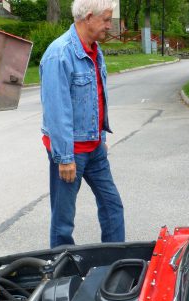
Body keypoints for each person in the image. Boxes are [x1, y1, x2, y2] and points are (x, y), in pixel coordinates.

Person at [39, 0, 124, 248]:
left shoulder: (95, 50)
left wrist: (101, 137)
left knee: (113, 206)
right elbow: (57, 111)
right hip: (70, 152)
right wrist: (65, 158)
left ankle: (115, 261)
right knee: (63, 221)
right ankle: (61, 268)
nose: (109, 26)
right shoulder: (59, 54)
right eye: (106, 20)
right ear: (88, 18)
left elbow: (97, 98)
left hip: (94, 148)